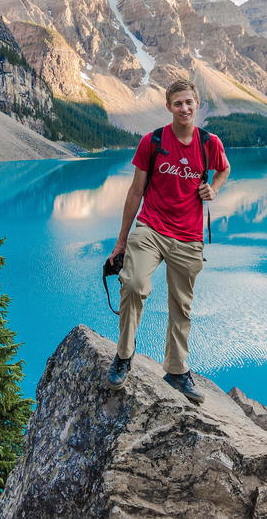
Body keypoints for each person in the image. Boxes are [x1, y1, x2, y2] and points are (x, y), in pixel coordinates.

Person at [105, 79, 230, 403]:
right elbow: (135, 191)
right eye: (178, 103)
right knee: (133, 285)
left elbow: (224, 169)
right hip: (151, 228)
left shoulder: (208, 143)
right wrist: (120, 243)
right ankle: (124, 355)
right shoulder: (153, 141)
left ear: (197, 103)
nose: (185, 108)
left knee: (181, 305)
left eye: (189, 102)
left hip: (188, 237)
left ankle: (176, 369)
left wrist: (213, 188)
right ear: (169, 107)